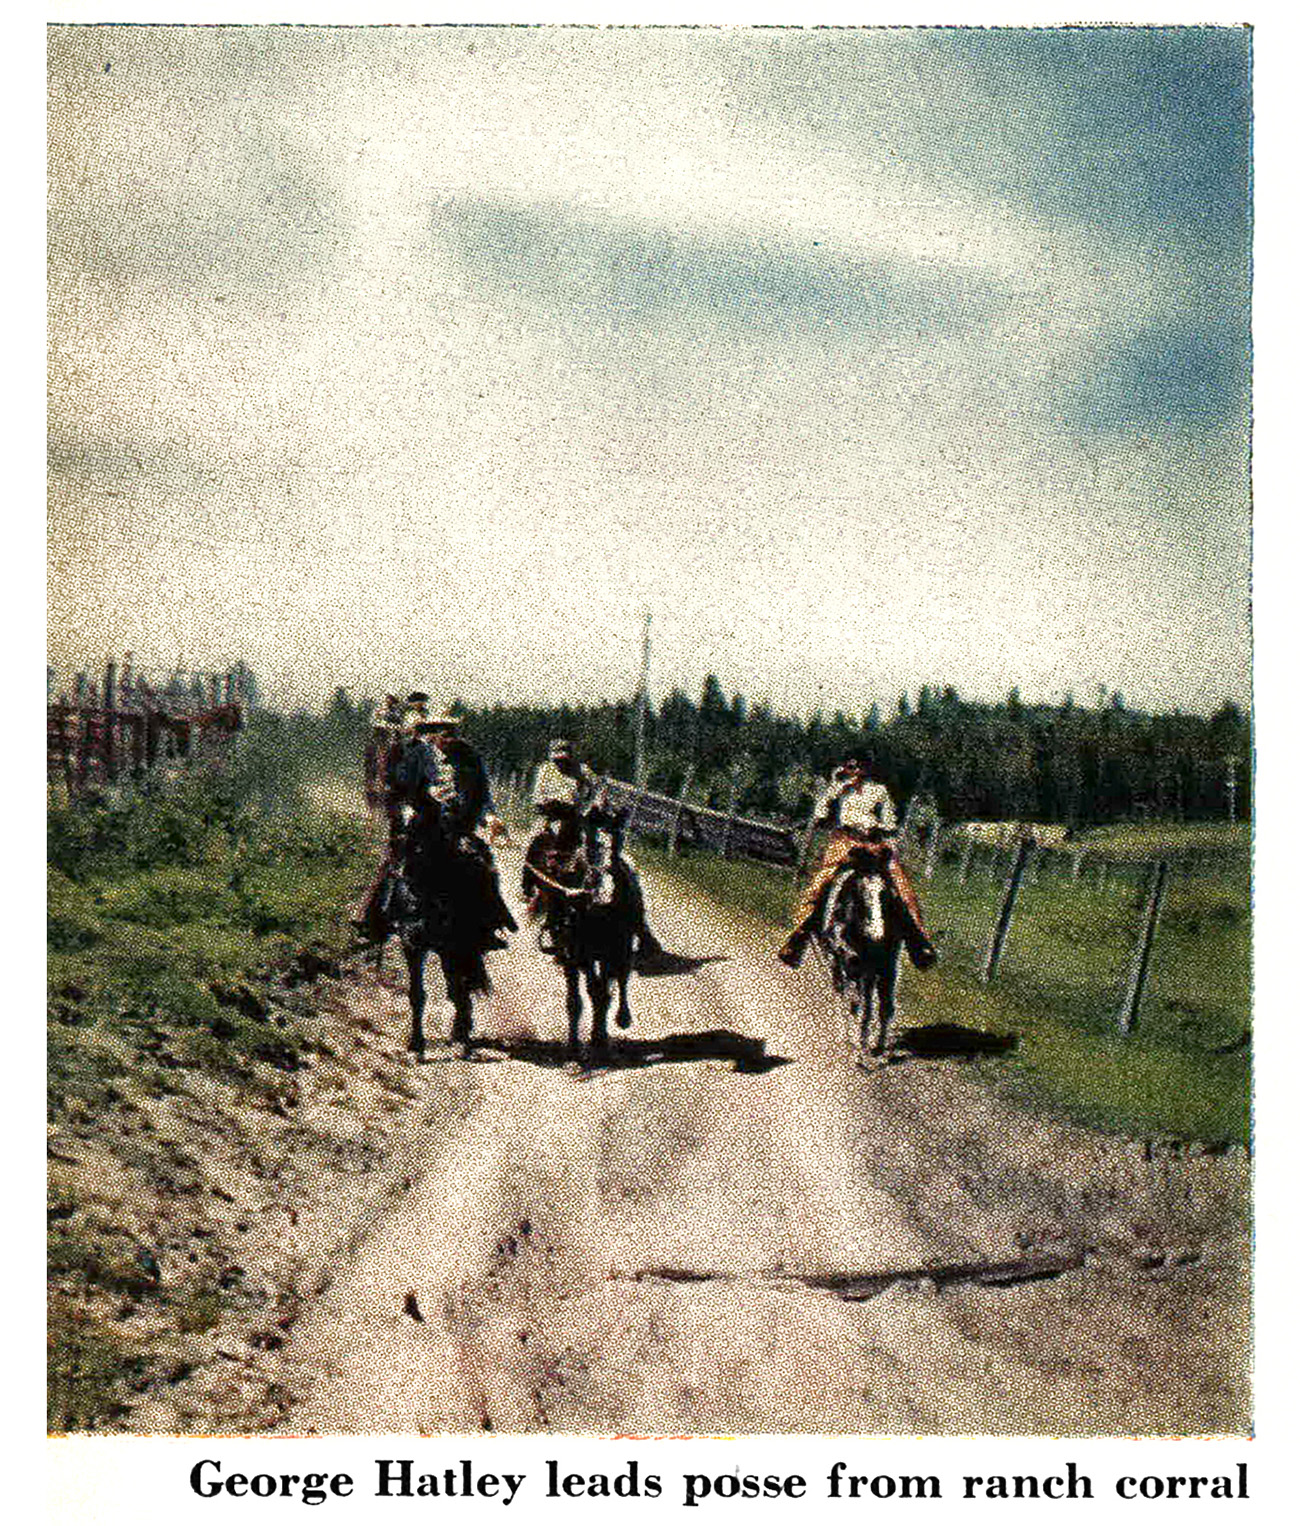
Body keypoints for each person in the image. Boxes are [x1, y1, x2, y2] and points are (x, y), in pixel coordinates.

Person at [777, 758, 937, 971]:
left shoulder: (878, 790)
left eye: (860, 766)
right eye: (851, 766)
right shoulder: (839, 788)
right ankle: (797, 940)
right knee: (820, 884)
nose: (856, 770)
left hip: (873, 842)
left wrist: (882, 834)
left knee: (901, 886)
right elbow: (820, 814)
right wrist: (835, 787)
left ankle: (919, 943)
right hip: (845, 841)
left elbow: (889, 821)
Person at [522, 739, 662, 959]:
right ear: (552, 758)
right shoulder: (544, 772)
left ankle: (633, 920)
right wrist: (548, 804)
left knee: (613, 860)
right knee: (533, 844)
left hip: (580, 821)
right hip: (553, 818)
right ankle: (530, 889)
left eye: (565, 757)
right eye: (558, 759)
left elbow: (598, 791)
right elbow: (537, 798)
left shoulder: (582, 770)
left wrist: (596, 803)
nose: (562, 763)